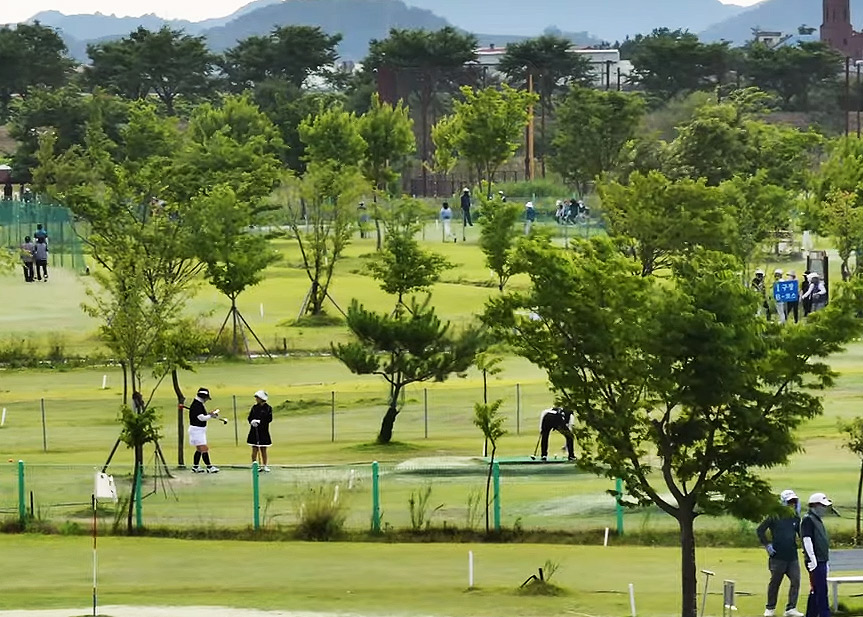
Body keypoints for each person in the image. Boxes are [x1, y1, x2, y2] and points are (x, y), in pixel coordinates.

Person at [757, 489, 803, 617]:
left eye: (794, 502)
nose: (792, 504)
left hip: (792, 555)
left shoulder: (795, 516)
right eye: (789, 502)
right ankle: (770, 608)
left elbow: (800, 532)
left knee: (796, 581)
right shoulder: (774, 516)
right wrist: (767, 545)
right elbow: (760, 530)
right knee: (775, 582)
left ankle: (791, 608)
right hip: (777, 556)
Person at [802, 492, 834, 617]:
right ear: (815, 505)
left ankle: (811, 614)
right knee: (821, 591)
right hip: (815, 561)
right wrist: (812, 558)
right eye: (822, 506)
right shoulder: (808, 519)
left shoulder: (817, 520)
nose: (824, 509)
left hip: (821, 560)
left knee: (816, 589)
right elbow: (807, 539)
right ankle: (825, 614)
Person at [188, 387, 220, 473]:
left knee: (199, 449)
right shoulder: (196, 405)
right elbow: (201, 418)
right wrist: (211, 416)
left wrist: (210, 414)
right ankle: (209, 467)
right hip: (197, 430)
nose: (206, 400)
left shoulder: (198, 404)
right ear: (202, 397)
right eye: (206, 398)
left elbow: (202, 416)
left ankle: (195, 467)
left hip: (198, 430)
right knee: (204, 448)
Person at [247, 390, 273, 472]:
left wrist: (260, 421)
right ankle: (255, 465)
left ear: (262, 399)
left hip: (263, 431)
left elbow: (269, 419)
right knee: (255, 448)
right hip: (254, 430)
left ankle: (264, 465)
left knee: (263, 449)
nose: (256, 399)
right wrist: (252, 421)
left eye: (257, 398)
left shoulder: (268, 408)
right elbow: (249, 417)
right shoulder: (254, 408)